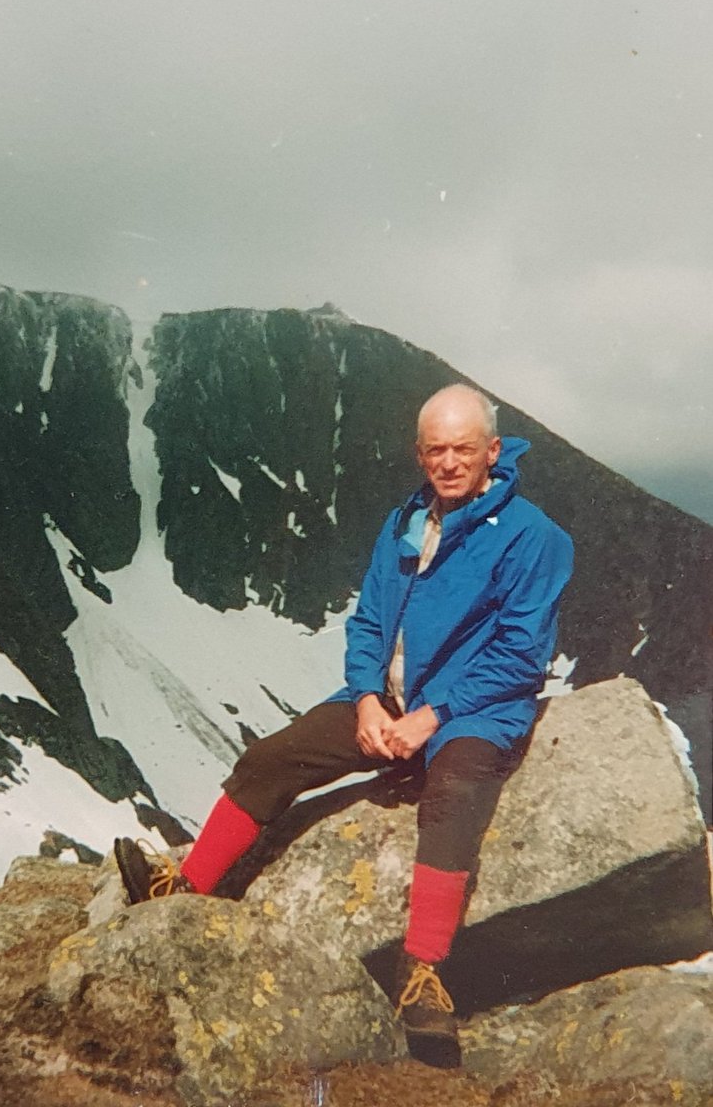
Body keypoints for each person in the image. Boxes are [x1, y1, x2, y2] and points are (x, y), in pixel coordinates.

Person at [114, 383, 574, 1066]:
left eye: (464, 450)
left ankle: (420, 973)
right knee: (271, 759)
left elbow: (519, 653)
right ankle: (183, 888)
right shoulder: (403, 523)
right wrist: (364, 698)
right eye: (436, 450)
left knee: (454, 793)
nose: (448, 464)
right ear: (420, 453)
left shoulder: (536, 538)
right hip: (387, 702)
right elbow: (365, 623)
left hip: (473, 708)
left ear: (492, 452)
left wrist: (430, 716)